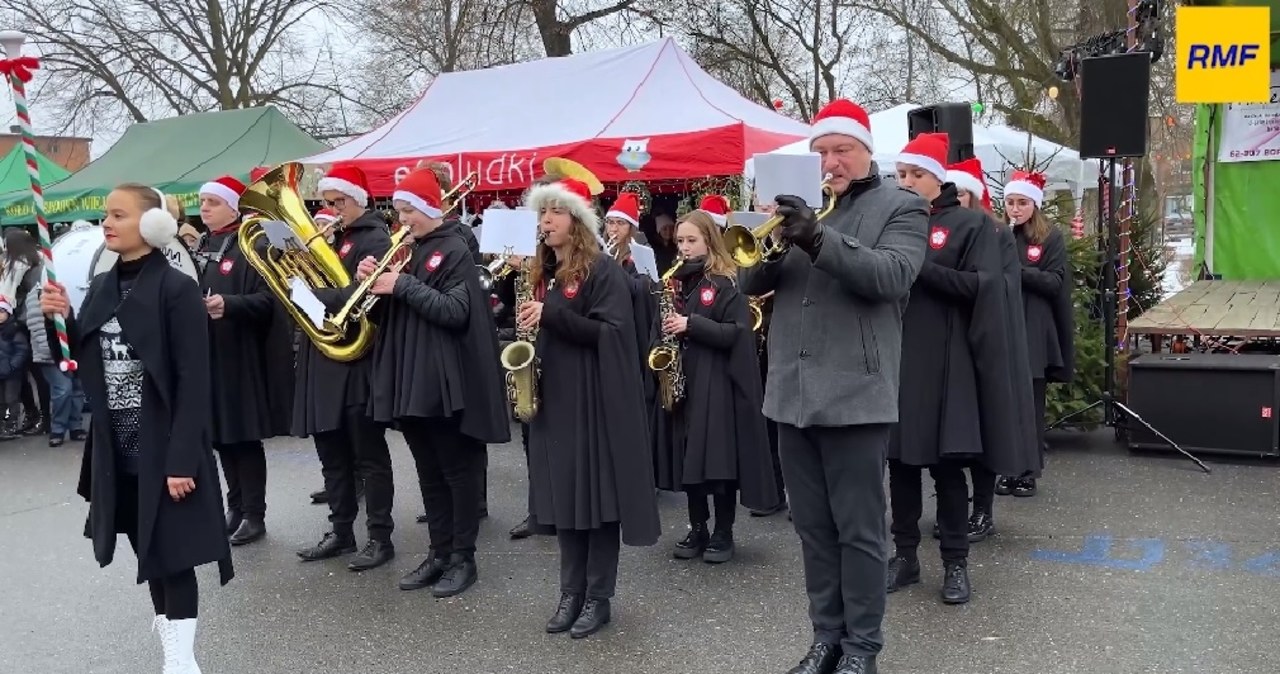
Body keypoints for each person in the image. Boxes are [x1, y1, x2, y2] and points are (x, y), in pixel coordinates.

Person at [739, 99, 928, 674]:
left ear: (867, 150)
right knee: (814, 531)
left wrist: (816, 240)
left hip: (855, 394)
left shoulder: (902, 207)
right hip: (791, 395)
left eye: (841, 150)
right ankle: (826, 638)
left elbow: (891, 277)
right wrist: (769, 241)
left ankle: (862, 649)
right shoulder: (799, 210)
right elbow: (748, 278)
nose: (831, 162)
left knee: (861, 533)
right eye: (821, 152)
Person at [40, 183, 232, 672]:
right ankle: (172, 641)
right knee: (149, 551)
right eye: (106, 214)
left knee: (175, 554)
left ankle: (182, 660)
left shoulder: (176, 289)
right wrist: (57, 319)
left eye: (118, 215)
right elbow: (79, 360)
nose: (107, 223)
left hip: (164, 445)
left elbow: (194, 381)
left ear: (151, 226)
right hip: (117, 448)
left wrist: (182, 459)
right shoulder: (105, 286)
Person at [884, 134, 1034, 605]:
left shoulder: (970, 225)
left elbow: (982, 288)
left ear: (938, 177)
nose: (907, 183)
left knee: (948, 472)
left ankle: (954, 564)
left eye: (917, 175)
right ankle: (905, 557)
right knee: (900, 468)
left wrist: (919, 266)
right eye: (901, 174)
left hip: (947, 368)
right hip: (898, 360)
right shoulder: (890, 221)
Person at [518, 177, 661, 639]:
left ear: (577, 220)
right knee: (563, 501)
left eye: (556, 212)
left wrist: (552, 316)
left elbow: (614, 334)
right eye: (543, 213)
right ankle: (570, 591)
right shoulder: (544, 270)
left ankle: (597, 598)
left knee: (596, 504)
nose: (546, 221)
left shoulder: (603, 271)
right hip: (555, 400)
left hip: (594, 403)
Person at [361, 168, 510, 596]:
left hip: (444, 381)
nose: (402, 219)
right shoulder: (407, 251)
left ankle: (464, 557)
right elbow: (378, 317)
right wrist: (372, 285)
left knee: (456, 473)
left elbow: (454, 311)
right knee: (428, 472)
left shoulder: (455, 249)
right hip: (409, 377)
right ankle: (439, 552)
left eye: (409, 210)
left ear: (431, 208)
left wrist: (402, 284)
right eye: (398, 210)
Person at [652, 209, 779, 564]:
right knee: (690, 460)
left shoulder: (725, 284)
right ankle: (698, 527)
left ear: (710, 241)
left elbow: (737, 334)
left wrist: (691, 324)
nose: (684, 248)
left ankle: (724, 531)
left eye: (692, 240)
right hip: (684, 383)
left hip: (717, 386)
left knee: (718, 464)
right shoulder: (674, 283)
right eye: (680, 241)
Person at [295, 165, 397, 571]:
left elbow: (361, 296)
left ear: (359, 199)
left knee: (368, 456)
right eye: (328, 202)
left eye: (340, 202)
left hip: (356, 362)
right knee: (332, 454)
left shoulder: (374, 237)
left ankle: (379, 536)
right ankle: (341, 530)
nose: (333, 210)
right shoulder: (337, 239)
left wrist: (306, 293)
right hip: (326, 360)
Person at [944, 158, 1038, 541]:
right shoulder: (939, 230)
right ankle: (951, 508)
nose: (956, 199)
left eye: (962, 192)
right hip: (947, 345)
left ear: (974, 195)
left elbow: (1000, 288)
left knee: (983, 431)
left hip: (982, 344)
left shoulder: (995, 233)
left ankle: (982, 509)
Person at [1001, 170, 1075, 498]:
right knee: (1005, 405)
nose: (1015, 209)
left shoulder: (1049, 238)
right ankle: (1007, 467)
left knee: (1030, 406)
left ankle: (1028, 472)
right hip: (1003, 327)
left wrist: (1017, 273)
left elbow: (1054, 282)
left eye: (1022, 203)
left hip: (1033, 330)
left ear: (1035, 205)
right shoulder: (998, 234)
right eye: (1010, 202)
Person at [22, 270, 86, 446]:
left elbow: (71, 321)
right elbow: (37, 327)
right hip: (48, 355)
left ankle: (75, 426)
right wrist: (51, 351)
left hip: (70, 352)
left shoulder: (61, 294)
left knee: (76, 389)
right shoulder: (36, 298)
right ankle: (58, 428)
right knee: (63, 389)